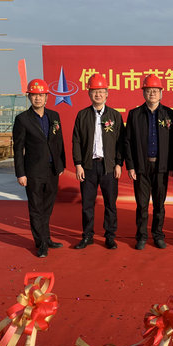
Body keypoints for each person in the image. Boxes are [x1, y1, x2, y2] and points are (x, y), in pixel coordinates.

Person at [124, 74, 173, 250]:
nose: (152, 93)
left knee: (159, 204)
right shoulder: (135, 114)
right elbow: (127, 142)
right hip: (141, 166)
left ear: (161, 93)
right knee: (141, 205)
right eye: (149, 90)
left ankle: (158, 235)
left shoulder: (169, 114)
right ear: (143, 93)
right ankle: (141, 236)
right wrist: (131, 166)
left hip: (161, 166)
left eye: (155, 90)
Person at [13, 78, 66, 258]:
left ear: (46, 97)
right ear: (29, 97)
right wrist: (21, 173)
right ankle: (41, 244)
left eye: (41, 95)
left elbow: (59, 142)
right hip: (33, 171)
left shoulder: (54, 116)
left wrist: (61, 164)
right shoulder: (22, 119)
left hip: (52, 170)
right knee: (36, 208)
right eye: (34, 95)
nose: (38, 98)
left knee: (47, 207)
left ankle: (47, 238)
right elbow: (18, 148)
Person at [72, 73, 125, 250]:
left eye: (101, 91)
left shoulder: (115, 116)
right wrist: (78, 164)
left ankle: (110, 236)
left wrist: (119, 163)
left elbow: (121, 142)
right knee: (87, 204)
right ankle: (87, 236)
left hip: (108, 166)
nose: (98, 94)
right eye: (95, 91)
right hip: (88, 166)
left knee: (110, 204)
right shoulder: (82, 115)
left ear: (107, 93)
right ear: (89, 93)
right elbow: (76, 140)